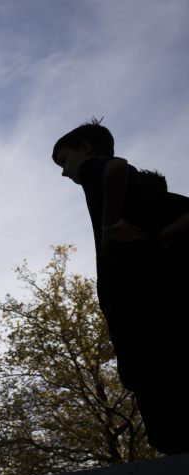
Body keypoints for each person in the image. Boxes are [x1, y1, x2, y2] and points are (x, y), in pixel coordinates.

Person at [52, 121, 189, 455]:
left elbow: (116, 166)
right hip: (162, 301)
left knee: (154, 386)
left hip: (135, 304)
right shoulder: (152, 196)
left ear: (85, 148)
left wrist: (110, 222)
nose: (64, 172)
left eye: (64, 160)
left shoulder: (95, 170)